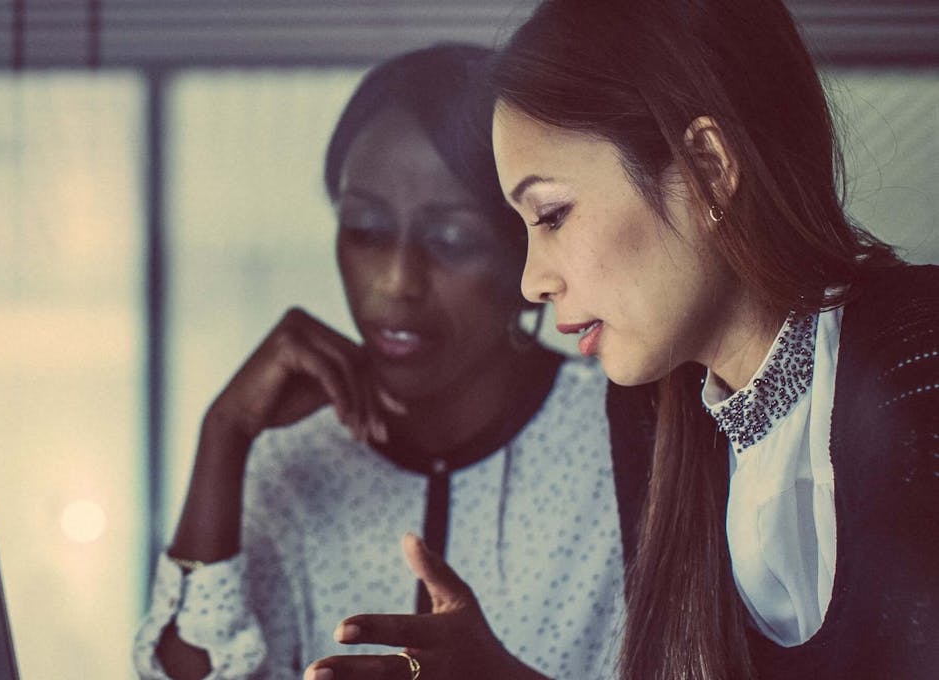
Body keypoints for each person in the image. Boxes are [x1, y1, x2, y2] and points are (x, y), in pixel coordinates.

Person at [309, 1, 939, 678]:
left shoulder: (922, 357)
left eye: (551, 214)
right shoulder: (650, 414)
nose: (531, 282)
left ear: (707, 169)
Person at [133, 44, 655, 680]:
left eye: (452, 240)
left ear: (525, 246)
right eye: (366, 230)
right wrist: (224, 435)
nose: (397, 283)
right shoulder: (292, 456)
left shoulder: (629, 436)